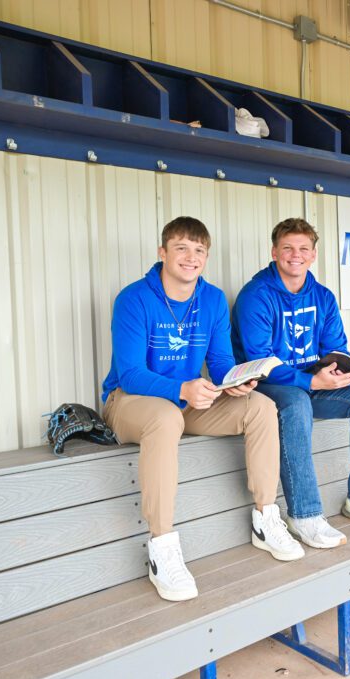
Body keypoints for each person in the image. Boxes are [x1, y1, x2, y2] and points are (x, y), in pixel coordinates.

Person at [101, 216, 304, 602]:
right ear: (163, 253)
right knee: (164, 417)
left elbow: (222, 362)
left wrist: (237, 381)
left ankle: (266, 519)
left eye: (199, 251)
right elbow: (129, 374)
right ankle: (162, 548)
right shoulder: (134, 299)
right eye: (181, 248)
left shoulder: (210, 300)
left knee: (259, 406)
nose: (190, 258)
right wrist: (181, 388)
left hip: (188, 401)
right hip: (131, 403)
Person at [231, 218, 350, 549]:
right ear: (274, 251)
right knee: (295, 402)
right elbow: (260, 360)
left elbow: (335, 346)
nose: (296, 255)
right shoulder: (256, 296)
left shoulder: (322, 296)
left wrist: (339, 370)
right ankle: (304, 515)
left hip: (311, 381)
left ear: (313, 254)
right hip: (266, 386)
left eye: (303, 248)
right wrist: (311, 380)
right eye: (288, 248)